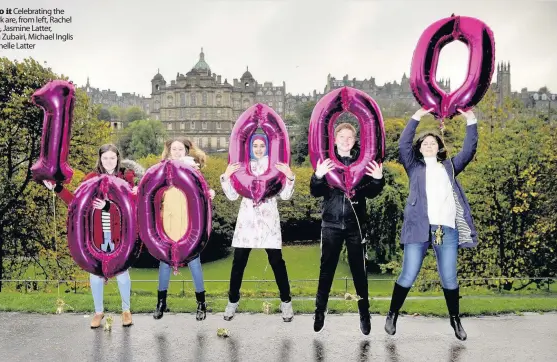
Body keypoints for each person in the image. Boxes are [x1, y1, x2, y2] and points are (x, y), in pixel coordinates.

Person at [384, 107, 478, 341]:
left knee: (449, 277)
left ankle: (455, 320)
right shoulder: (413, 166)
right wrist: (417, 115)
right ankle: (392, 314)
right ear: (420, 148)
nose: (428, 145)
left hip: (445, 229)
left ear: (439, 147)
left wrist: (471, 120)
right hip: (418, 226)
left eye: (432, 142)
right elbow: (403, 144)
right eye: (424, 143)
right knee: (408, 274)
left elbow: (469, 150)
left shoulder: (450, 167)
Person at [44, 144, 137, 328]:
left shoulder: (127, 177)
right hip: (98, 235)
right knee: (95, 274)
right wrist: (57, 189)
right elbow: (75, 203)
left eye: (112, 158)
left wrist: (108, 206)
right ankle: (98, 312)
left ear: (118, 158)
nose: (109, 161)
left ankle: (126, 310)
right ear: (100, 159)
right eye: (105, 158)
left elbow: (131, 207)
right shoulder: (91, 178)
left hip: (121, 234)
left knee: (122, 273)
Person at [310, 123, 384, 334]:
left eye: (349, 137)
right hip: (331, 224)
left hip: (356, 226)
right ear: (335, 139)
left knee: (359, 272)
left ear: (354, 140)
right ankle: (319, 311)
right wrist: (318, 176)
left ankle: (364, 314)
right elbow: (315, 192)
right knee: (327, 270)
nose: (345, 140)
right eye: (341, 137)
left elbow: (371, 192)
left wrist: (378, 180)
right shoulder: (327, 163)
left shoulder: (364, 162)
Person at [220, 133, 296, 322]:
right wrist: (226, 177)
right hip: (247, 222)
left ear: (268, 147)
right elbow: (232, 196)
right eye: (256, 146)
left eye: (262, 145)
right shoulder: (244, 166)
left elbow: (285, 196)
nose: (259, 149)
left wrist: (290, 177)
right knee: (238, 263)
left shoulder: (276, 166)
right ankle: (232, 301)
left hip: (268, 222)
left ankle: (286, 302)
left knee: (277, 262)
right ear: (250, 148)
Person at [153, 138, 215, 321]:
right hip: (169, 220)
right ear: (169, 151)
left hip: (188, 221)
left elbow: (204, 190)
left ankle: (201, 303)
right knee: (165, 262)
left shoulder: (193, 170)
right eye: (174, 149)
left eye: (181, 149)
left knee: (194, 261)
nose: (177, 152)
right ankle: (161, 302)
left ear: (186, 151)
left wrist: (210, 192)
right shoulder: (162, 170)